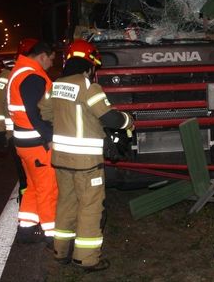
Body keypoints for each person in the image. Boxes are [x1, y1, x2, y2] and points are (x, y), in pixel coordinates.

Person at [51, 39, 134, 272]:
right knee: (90, 207)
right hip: (86, 162)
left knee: (66, 204)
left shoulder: (56, 85)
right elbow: (110, 118)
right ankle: (86, 259)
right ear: (89, 66)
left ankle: (61, 252)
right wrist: (129, 120)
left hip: (61, 160)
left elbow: (45, 112)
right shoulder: (88, 86)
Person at [6, 40, 56, 246]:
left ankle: (26, 230)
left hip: (24, 142)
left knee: (34, 186)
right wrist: (49, 137)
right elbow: (35, 113)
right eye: (51, 59)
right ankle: (52, 236)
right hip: (37, 143)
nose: (52, 64)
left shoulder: (19, 71)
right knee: (48, 189)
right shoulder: (32, 76)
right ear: (42, 55)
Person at [0, 38, 37, 201]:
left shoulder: (30, 72)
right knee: (24, 175)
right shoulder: (8, 74)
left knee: (33, 174)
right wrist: (0, 132)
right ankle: (26, 202)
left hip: (31, 133)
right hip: (14, 134)